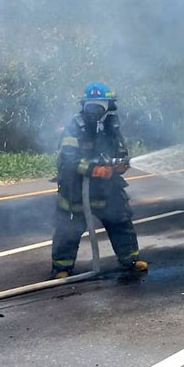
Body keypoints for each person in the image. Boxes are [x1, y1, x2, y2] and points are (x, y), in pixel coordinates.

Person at [50, 82, 148, 279]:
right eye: (90, 104)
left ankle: (130, 259)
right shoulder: (74, 127)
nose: (94, 110)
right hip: (76, 188)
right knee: (68, 228)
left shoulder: (112, 125)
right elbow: (69, 158)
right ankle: (62, 267)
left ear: (109, 105)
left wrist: (119, 165)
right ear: (84, 105)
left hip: (107, 187)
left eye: (99, 105)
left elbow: (120, 152)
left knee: (120, 220)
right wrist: (94, 169)